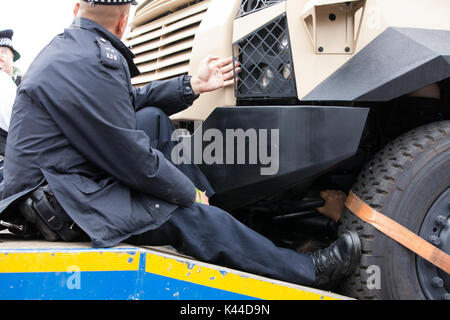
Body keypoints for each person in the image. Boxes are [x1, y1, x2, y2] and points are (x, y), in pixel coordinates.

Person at [0, 0, 361, 289]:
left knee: (153, 118)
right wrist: (187, 193)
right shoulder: (95, 60)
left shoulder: (70, 51)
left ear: (78, 9)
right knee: (175, 209)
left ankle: (225, 225)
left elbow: (127, 99)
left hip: (53, 186)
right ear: (123, 22)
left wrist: (191, 85)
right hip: (62, 204)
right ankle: (307, 270)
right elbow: (135, 162)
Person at [0, 29, 21, 181]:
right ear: (2, 56)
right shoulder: (3, 81)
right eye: (11, 57)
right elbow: (17, 127)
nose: (13, 65)